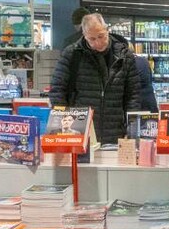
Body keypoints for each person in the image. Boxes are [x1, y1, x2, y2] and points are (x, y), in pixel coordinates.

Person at [48, 13, 142, 143]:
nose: (97, 42)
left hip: (115, 131)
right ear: (84, 36)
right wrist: (64, 123)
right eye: (91, 39)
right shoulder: (72, 54)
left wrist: (132, 129)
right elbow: (57, 90)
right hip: (81, 131)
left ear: (107, 30)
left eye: (101, 36)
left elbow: (133, 95)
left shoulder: (125, 56)